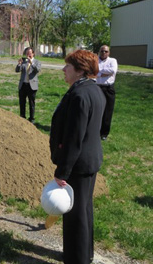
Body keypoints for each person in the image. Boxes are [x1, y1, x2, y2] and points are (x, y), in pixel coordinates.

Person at [49, 50, 106, 264]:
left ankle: (77, 259)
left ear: (80, 70)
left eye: (68, 67)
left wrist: (63, 171)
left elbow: (75, 138)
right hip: (89, 160)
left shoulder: (80, 95)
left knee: (75, 215)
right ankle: (85, 254)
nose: (64, 70)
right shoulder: (93, 89)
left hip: (79, 165)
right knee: (84, 210)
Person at [97, 45, 118, 140]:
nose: (104, 53)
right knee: (96, 110)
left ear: (109, 53)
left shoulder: (112, 61)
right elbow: (92, 70)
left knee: (108, 111)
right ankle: (95, 131)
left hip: (108, 89)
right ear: (99, 52)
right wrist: (104, 73)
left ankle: (104, 133)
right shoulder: (95, 60)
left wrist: (99, 73)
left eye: (106, 51)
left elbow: (113, 70)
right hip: (97, 88)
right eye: (102, 51)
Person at [15, 47, 41, 123]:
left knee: (31, 103)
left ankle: (31, 119)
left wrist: (31, 63)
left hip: (32, 86)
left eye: (29, 53)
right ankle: (22, 117)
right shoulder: (24, 62)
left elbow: (37, 70)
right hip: (23, 85)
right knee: (22, 102)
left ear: (33, 54)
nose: (28, 55)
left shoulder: (37, 62)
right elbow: (17, 70)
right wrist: (19, 64)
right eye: (26, 53)